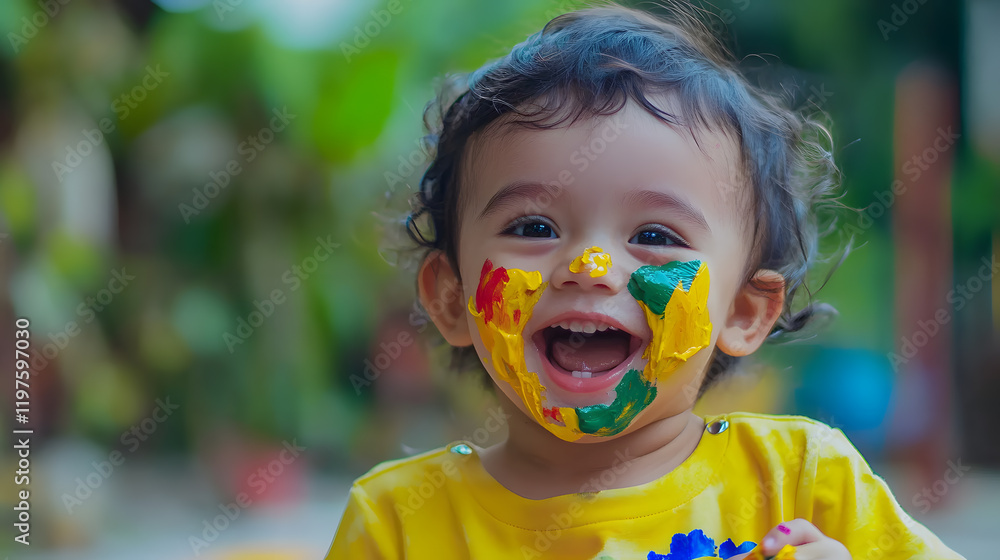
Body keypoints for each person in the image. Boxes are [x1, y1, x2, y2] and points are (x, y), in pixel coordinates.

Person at [327, 3, 965, 558]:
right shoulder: (398, 521)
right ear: (451, 297)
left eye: (655, 236)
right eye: (534, 226)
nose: (589, 265)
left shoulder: (802, 482)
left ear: (743, 312)